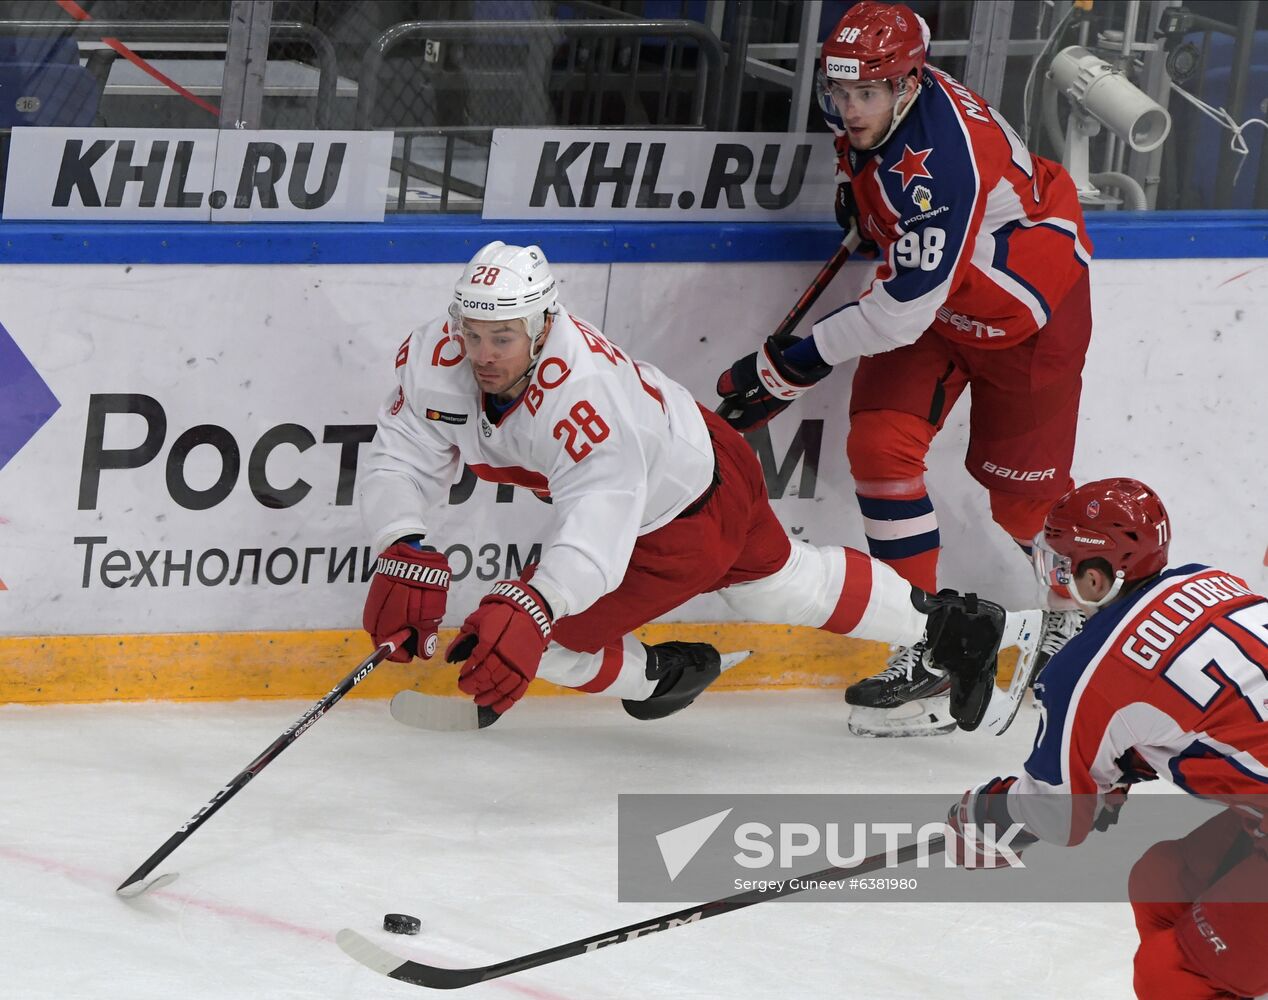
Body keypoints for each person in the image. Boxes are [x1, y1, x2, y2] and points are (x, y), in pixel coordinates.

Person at [357, 240, 1002, 723]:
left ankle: (660, 676)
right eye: (470, 334)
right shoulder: (436, 356)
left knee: (543, 640)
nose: (482, 355)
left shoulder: (586, 399)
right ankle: (954, 628)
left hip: (680, 518)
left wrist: (538, 602)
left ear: (544, 327)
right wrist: (402, 540)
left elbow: (595, 535)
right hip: (702, 453)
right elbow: (402, 455)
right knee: (780, 588)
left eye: (502, 338)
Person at [716, 0, 1090, 735]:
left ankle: (1075, 618)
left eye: (866, 95)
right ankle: (928, 639)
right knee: (880, 449)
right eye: (840, 93)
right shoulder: (871, 102)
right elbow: (884, 214)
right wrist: (859, 204)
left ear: (910, 84)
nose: (850, 109)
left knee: (1021, 504)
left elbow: (898, 315)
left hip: (1024, 310)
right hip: (932, 299)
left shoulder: (943, 161)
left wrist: (791, 364)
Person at [945, 478, 1268, 999]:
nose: (1053, 577)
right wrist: (1121, 773)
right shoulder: (1213, 580)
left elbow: (1058, 814)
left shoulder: (1086, 669)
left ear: (1096, 579)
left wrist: (992, 816)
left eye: (1061, 564)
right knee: (1164, 881)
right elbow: (1208, 712)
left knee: (1172, 974)